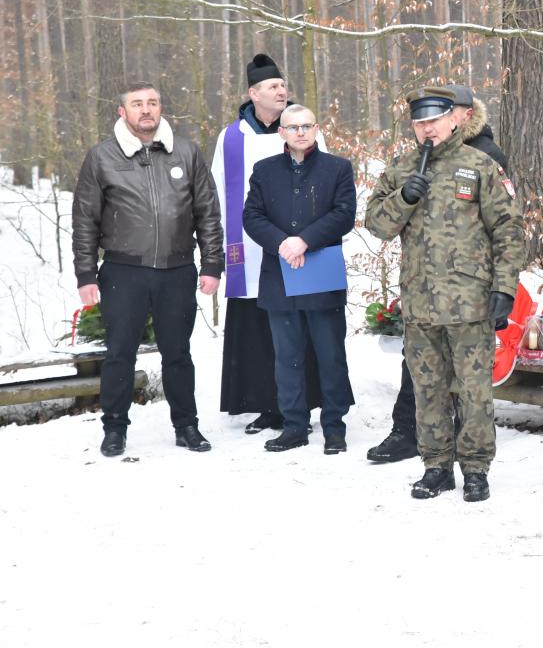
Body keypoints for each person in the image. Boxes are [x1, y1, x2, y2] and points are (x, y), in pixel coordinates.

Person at [364, 86, 522, 502]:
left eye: (434, 120)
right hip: (421, 303)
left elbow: (508, 230)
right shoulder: (401, 168)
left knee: (474, 392)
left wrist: (504, 287)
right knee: (428, 390)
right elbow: (376, 224)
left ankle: (475, 469)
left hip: (470, 302)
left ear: (455, 119)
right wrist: (404, 198)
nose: (427, 129)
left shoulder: (480, 165)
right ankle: (436, 466)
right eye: (420, 123)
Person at [72, 82, 224, 457]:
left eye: (152, 103)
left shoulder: (186, 152)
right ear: (122, 112)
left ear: (160, 108)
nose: (146, 110)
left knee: (178, 353)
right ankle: (114, 429)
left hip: (177, 269)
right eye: (137, 104)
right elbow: (85, 219)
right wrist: (85, 274)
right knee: (119, 354)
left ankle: (186, 426)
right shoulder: (102, 157)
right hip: (124, 271)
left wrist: (212, 263)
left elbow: (207, 212)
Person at [211, 54, 321, 434]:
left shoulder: (302, 128)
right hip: (250, 247)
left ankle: (301, 402)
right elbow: (217, 191)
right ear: (253, 93)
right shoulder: (231, 138)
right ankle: (265, 404)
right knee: (258, 327)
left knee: (298, 325)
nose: (281, 90)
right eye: (273, 86)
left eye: (283, 85)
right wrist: (218, 245)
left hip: (298, 245)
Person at [242, 104, 357, 454]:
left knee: (330, 355)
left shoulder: (337, 168)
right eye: (293, 127)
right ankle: (294, 426)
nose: (301, 132)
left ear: (317, 129)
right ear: (282, 132)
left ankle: (334, 427)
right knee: (287, 358)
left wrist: (305, 240)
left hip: (321, 271)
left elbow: (344, 214)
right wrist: (282, 243)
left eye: (307, 126)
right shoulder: (264, 170)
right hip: (281, 273)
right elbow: (252, 216)